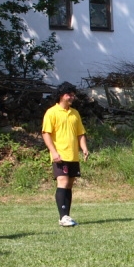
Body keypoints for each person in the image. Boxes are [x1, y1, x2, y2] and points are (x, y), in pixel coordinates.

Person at [42, 82, 89, 227]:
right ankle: (63, 217)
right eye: (70, 94)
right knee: (62, 182)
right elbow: (46, 133)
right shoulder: (52, 112)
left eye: (73, 95)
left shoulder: (75, 113)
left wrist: (84, 148)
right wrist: (53, 152)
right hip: (60, 155)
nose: (72, 97)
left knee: (69, 184)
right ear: (62, 95)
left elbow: (80, 133)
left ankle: (66, 216)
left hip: (73, 155)